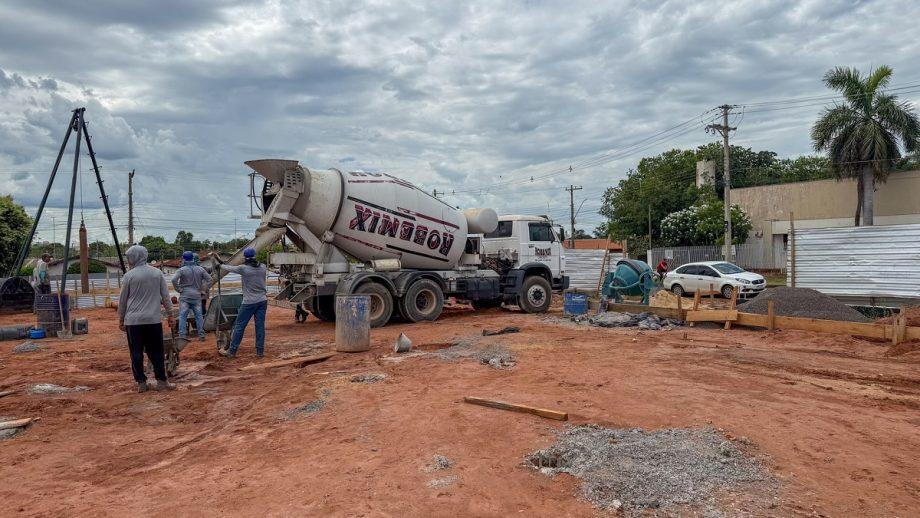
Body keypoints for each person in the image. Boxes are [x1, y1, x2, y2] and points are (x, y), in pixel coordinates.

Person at [118, 245, 176, 393]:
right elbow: (166, 297)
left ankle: (141, 383)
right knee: (156, 352)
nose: (129, 260)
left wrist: (121, 319)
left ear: (135, 257)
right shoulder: (157, 273)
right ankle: (162, 382)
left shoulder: (129, 276)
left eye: (130, 257)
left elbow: (122, 301)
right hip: (153, 320)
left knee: (136, 353)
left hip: (133, 322)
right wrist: (170, 314)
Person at [216, 247, 267, 358]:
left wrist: (220, 265)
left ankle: (232, 351)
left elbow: (229, 268)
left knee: (239, 326)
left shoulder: (243, 268)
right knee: (260, 326)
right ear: (255, 256)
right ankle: (260, 352)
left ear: (245, 258)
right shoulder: (263, 267)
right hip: (262, 301)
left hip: (249, 302)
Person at [171, 251, 211, 342]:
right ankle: (201, 335)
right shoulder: (200, 269)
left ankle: (182, 336)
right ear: (193, 258)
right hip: (197, 295)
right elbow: (209, 279)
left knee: (182, 316)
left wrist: (178, 289)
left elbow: (174, 280)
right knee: (199, 316)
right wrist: (204, 290)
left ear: (184, 259)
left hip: (185, 296)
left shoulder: (181, 270)